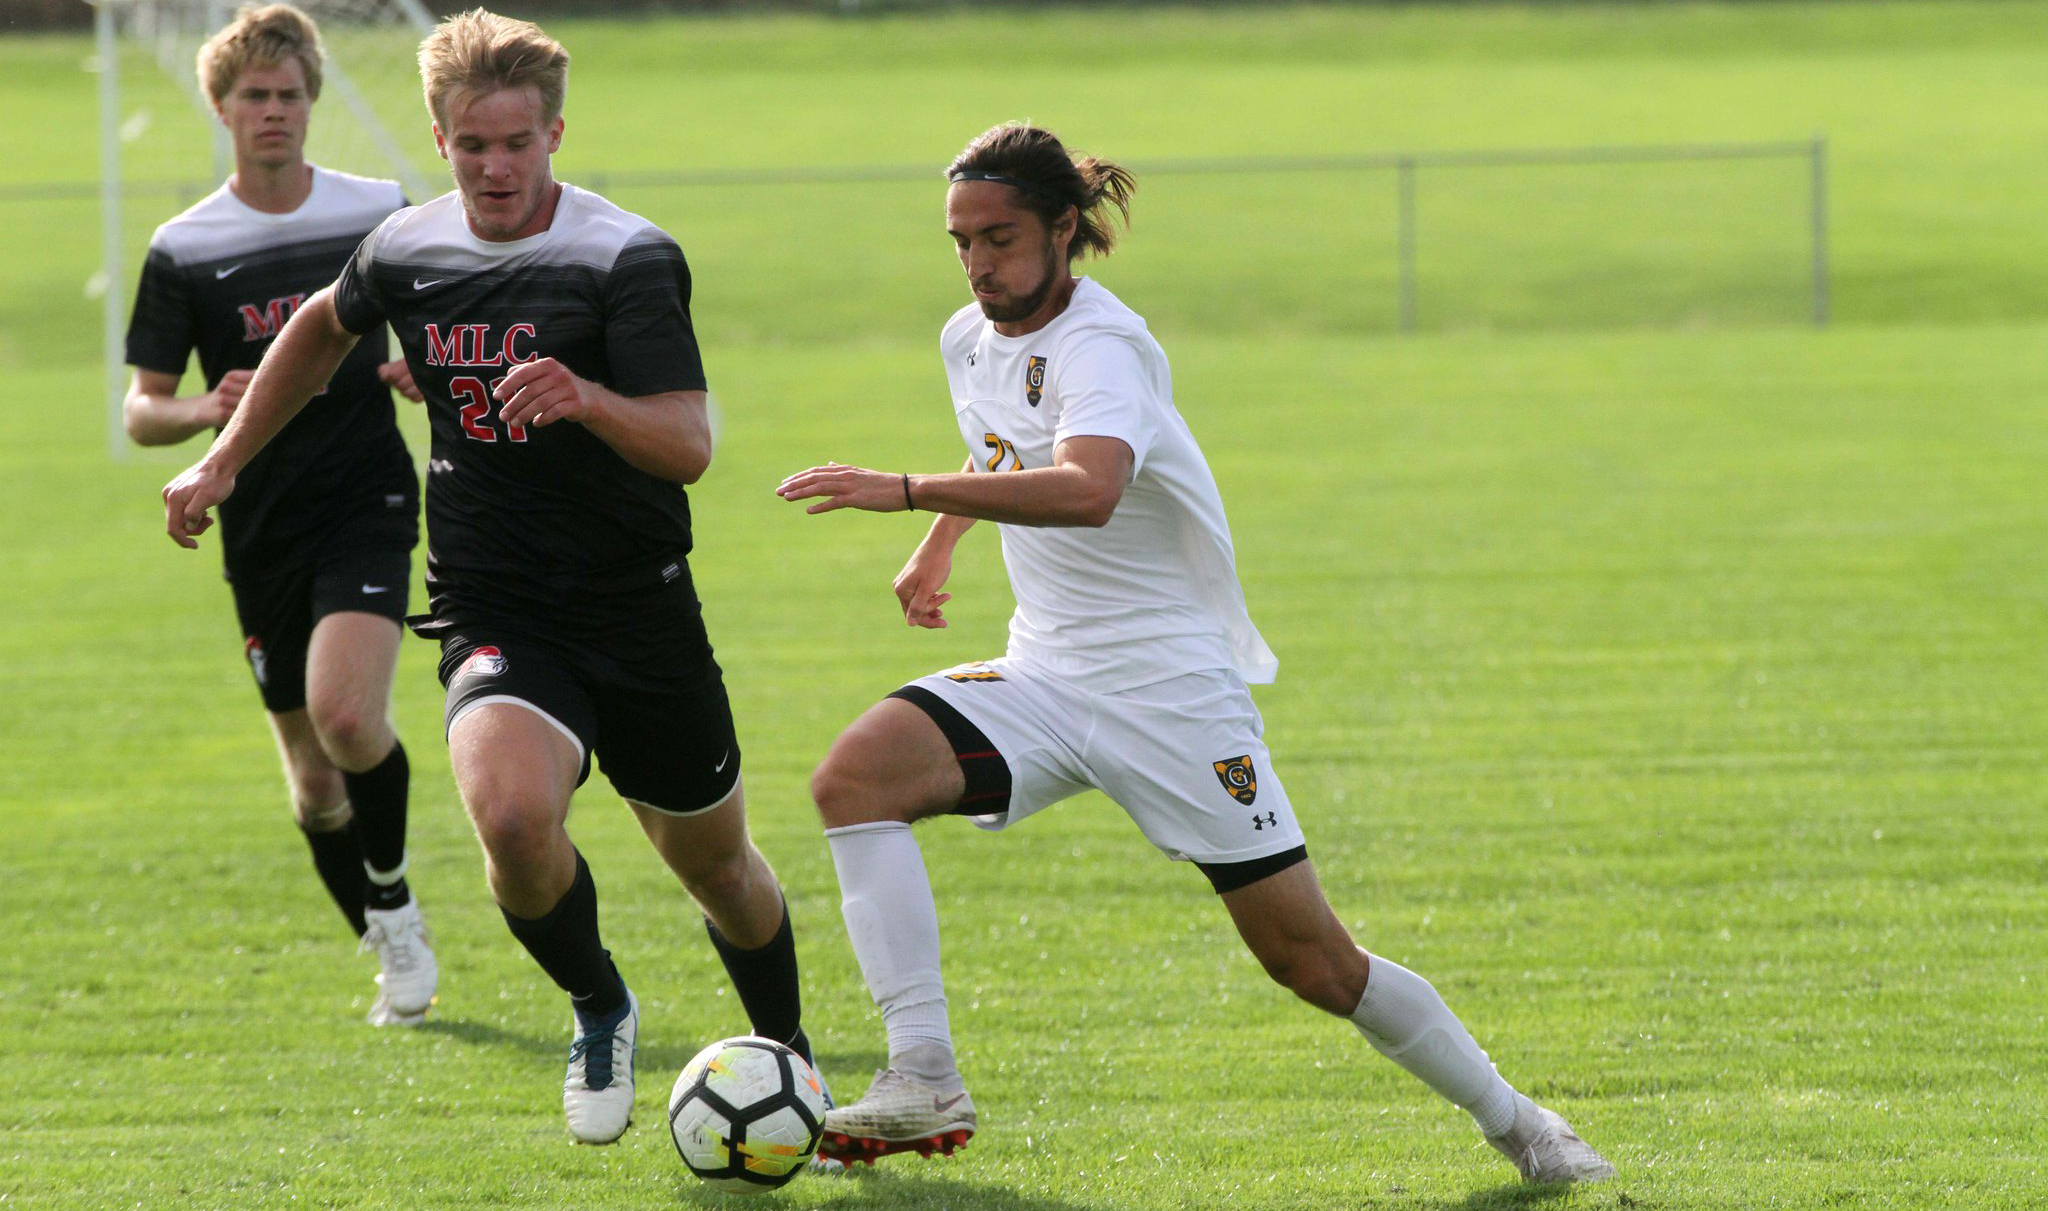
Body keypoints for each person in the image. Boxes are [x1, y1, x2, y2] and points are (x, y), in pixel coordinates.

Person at [776, 122, 1616, 1185]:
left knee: (1309, 960)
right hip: (1041, 671)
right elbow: (1001, 442)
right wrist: (938, 539)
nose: (978, 263)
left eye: (998, 237)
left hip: (1167, 693)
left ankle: (1523, 1124)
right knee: (853, 778)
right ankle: (923, 1072)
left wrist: (903, 490)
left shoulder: (1102, 344)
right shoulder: (967, 337)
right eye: (960, 242)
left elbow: (1086, 486)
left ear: (1062, 228)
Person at [163, 8, 820, 1146]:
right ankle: (599, 1002)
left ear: (555, 132)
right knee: (513, 820)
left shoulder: (625, 256)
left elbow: (688, 444)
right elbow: (320, 329)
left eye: (516, 142)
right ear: (440, 131)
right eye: (472, 144)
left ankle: (791, 1057)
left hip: (637, 603)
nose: (495, 166)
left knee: (717, 868)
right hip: (494, 604)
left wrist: (588, 399)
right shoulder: (407, 248)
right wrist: (221, 458)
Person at [126, 3, 435, 1029]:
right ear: (220, 106)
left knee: (350, 716)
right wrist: (199, 412)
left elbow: (443, 321)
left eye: (290, 95)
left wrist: (418, 364)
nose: (274, 112)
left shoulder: (374, 210)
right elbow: (141, 408)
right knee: (311, 784)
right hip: (256, 518)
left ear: (313, 102)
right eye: (254, 96)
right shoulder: (185, 244)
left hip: (367, 494)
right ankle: (387, 936)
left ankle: (392, 903)